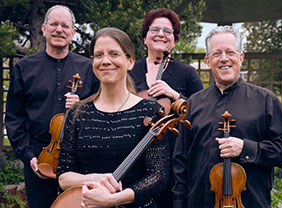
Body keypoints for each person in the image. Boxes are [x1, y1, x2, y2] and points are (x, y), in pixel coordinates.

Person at [172, 25, 282, 208]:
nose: (224, 59)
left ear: (241, 57)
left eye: (230, 52)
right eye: (216, 53)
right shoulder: (193, 104)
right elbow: (180, 162)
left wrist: (247, 148)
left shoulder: (265, 100)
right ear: (207, 60)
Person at [56, 27, 169, 208]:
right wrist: (93, 179)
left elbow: (158, 176)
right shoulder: (78, 113)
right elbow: (63, 176)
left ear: (130, 61)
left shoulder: (150, 110)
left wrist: (113, 200)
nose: (105, 61)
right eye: (99, 55)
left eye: (114, 54)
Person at [5, 5, 99, 208]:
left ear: (73, 32)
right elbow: (14, 118)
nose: (59, 29)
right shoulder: (24, 68)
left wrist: (82, 107)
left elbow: (102, 109)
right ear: (44, 29)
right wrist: (28, 155)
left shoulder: (88, 68)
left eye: (65, 25)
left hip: (80, 158)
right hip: (41, 157)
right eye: (54, 24)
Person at [129, 8, 203, 207]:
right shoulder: (130, 70)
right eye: (155, 29)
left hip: (173, 157)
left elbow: (202, 111)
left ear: (174, 41)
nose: (161, 34)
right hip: (133, 156)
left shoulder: (187, 73)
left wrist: (175, 95)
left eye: (167, 31)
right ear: (145, 38)